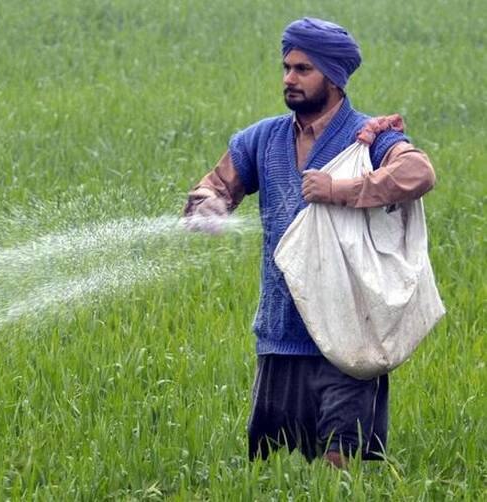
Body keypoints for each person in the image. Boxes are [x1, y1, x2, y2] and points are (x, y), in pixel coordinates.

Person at [183, 17, 436, 467]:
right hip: (280, 334)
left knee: (340, 469)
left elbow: (418, 172)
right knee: (272, 469)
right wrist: (207, 205)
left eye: (303, 69)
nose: (289, 79)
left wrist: (341, 190)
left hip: (348, 335)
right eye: (287, 67)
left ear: (334, 78)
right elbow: (217, 185)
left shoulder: (370, 138)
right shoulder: (262, 138)